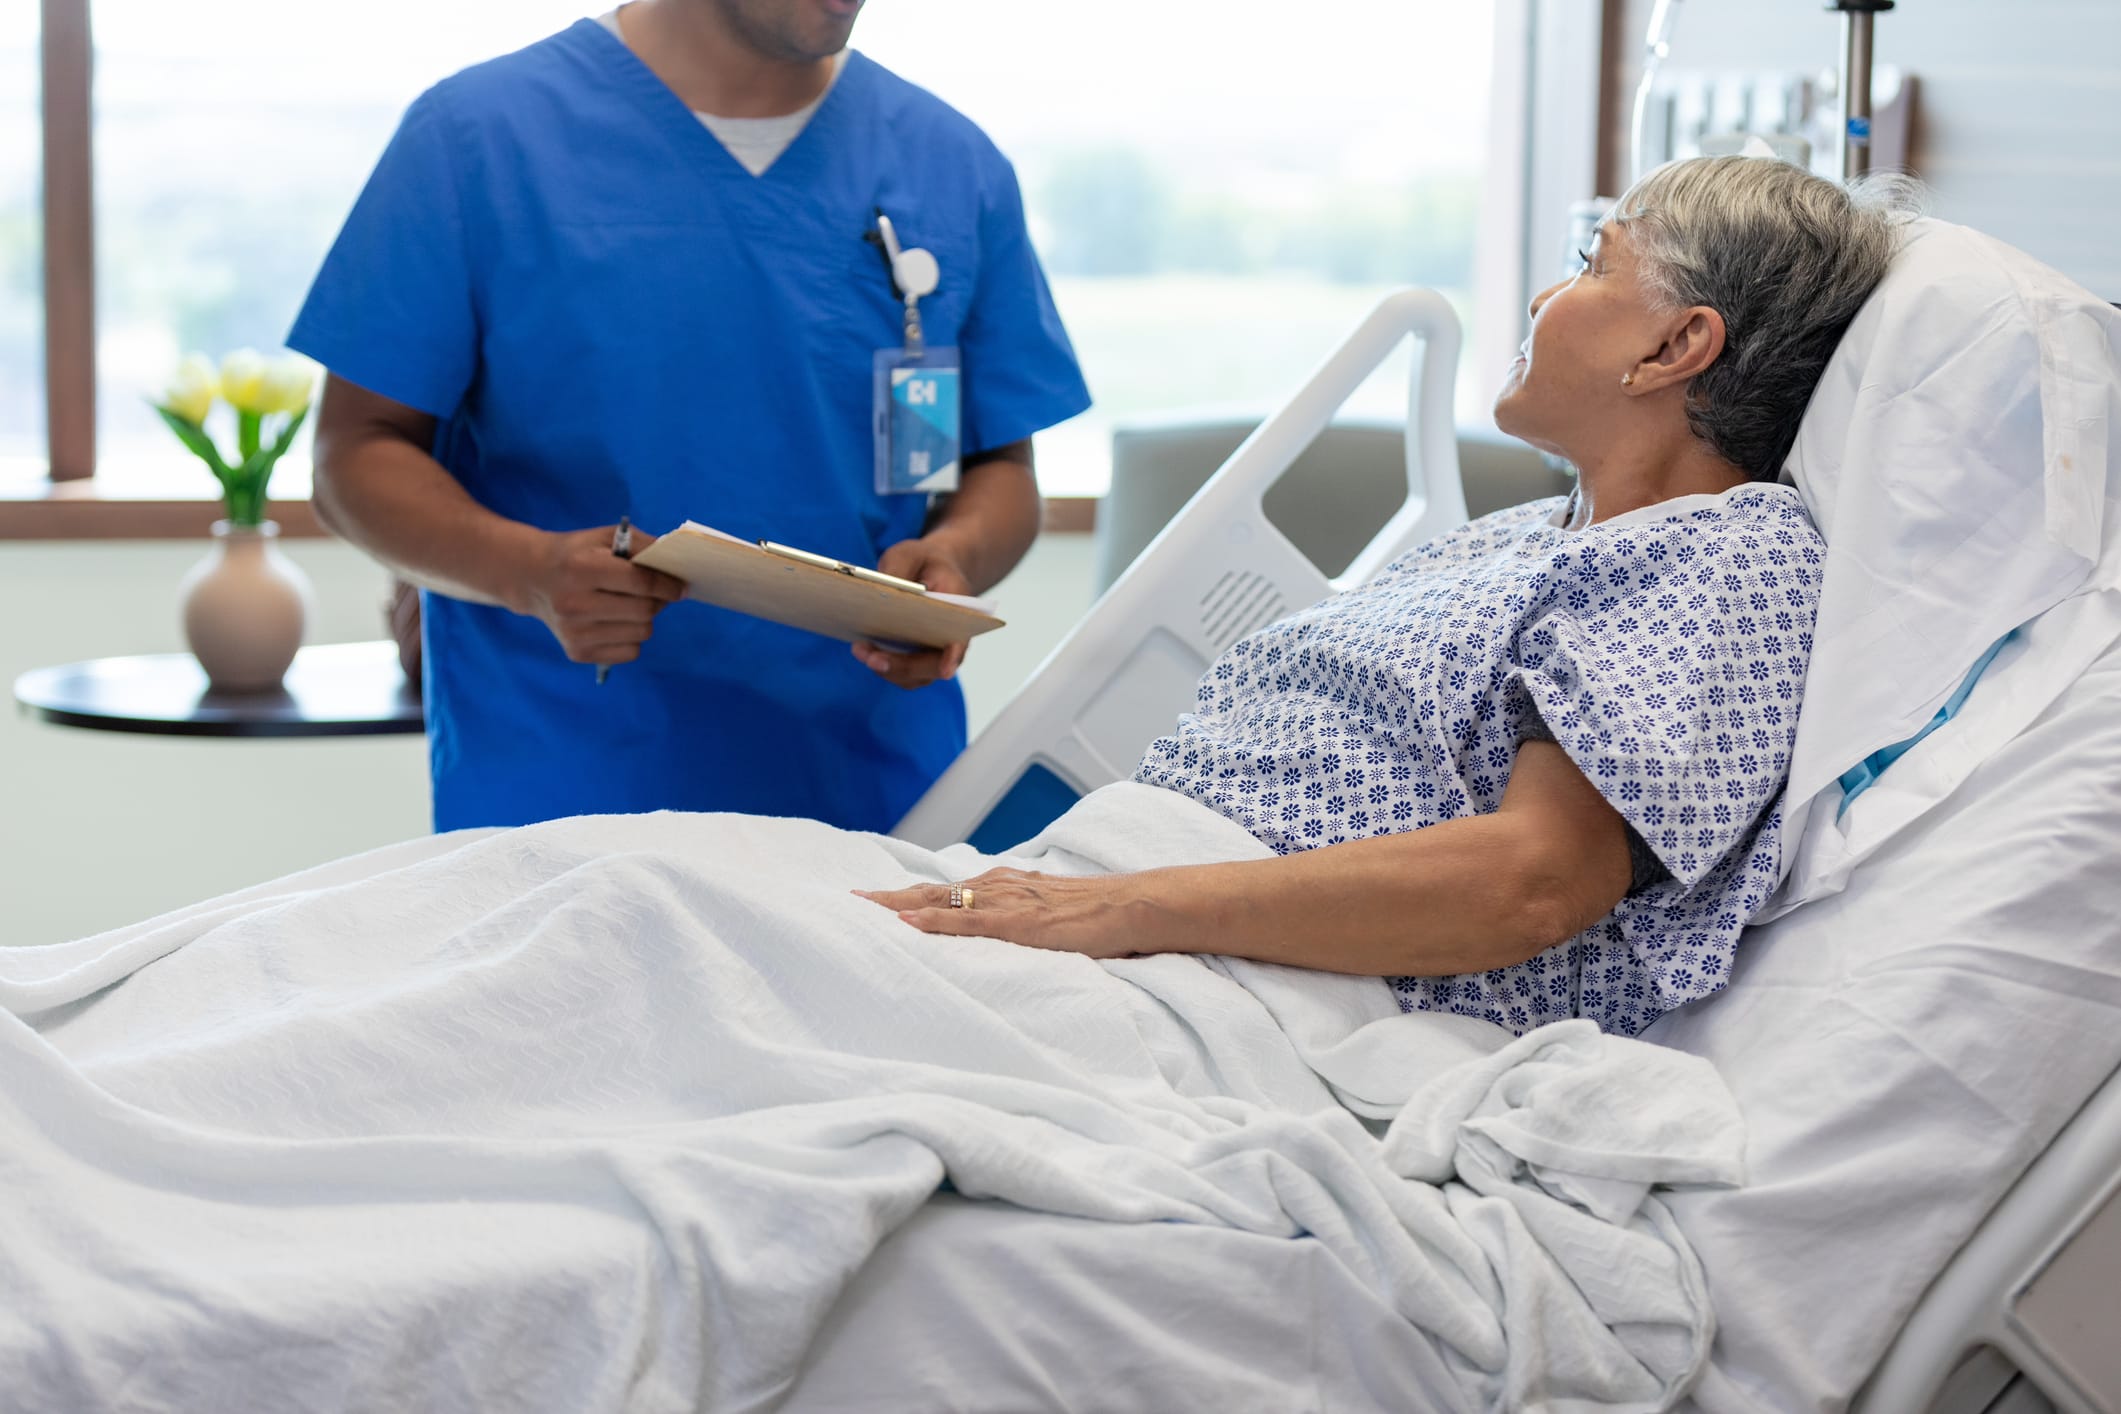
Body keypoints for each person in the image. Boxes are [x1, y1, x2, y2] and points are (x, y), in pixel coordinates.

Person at [863, 155, 1917, 1037]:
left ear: (1674, 345)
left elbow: (1536, 880)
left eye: (1593, 267)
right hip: (1143, 908)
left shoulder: (1730, 557)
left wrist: (1109, 908)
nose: (1548, 299)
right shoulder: (1530, 537)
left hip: (1256, 979)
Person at [291, 0, 1090, 834]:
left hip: (875, 804)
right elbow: (355, 455)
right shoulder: (476, 139)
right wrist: (525, 570)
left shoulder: (949, 162)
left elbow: (1000, 469)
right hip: (561, 795)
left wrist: (952, 562)